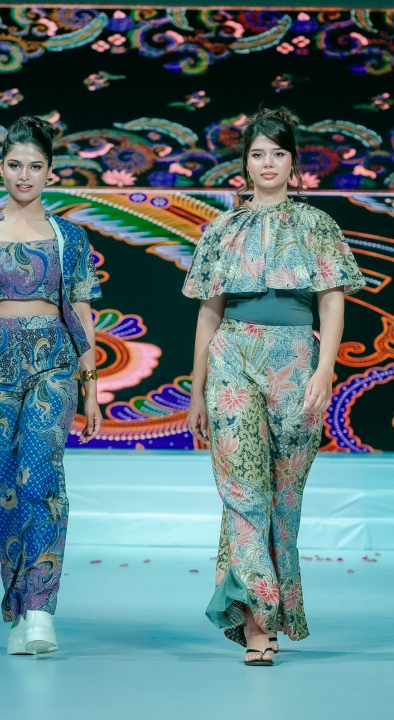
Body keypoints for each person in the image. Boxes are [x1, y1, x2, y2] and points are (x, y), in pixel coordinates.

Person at [183, 107, 364, 666]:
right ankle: (258, 623)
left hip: (297, 361)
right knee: (243, 492)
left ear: (293, 162)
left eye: (278, 153)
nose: (267, 163)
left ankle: (270, 609)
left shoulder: (317, 225)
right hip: (232, 357)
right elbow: (208, 314)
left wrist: (325, 368)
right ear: (244, 163)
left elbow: (332, 302)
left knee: (284, 500)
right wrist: (196, 390)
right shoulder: (222, 229)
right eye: (257, 154)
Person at [0, 116, 102, 655]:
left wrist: (91, 385)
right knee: (4, 488)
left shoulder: (69, 237)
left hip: (53, 365)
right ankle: (16, 603)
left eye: (35, 166)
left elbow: (81, 312)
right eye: (15, 165)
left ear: (50, 172)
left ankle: (40, 610)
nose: (25, 175)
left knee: (41, 480)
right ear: (0, 168)